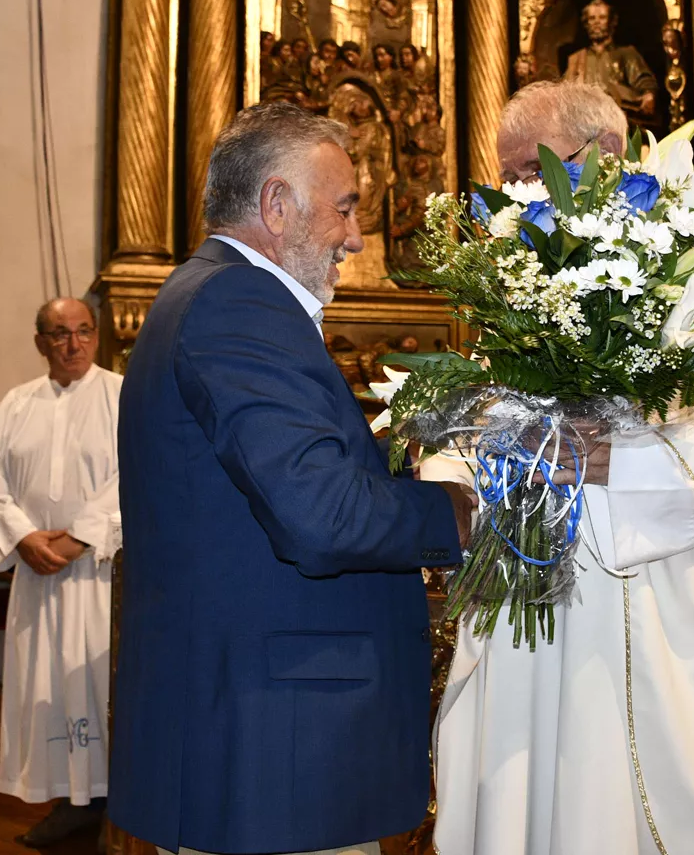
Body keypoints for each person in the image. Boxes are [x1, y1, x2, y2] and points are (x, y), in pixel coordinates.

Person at [432, 81, 694, 855]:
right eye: (507, 179)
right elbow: (487, 412)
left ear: (609, 157)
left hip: (673, 596)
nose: (516, 198)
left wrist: (627, 464)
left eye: (531, 173)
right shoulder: (516, 280)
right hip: (545, 591)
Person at [109, 101, 476, 855]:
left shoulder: (198, 294)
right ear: (277, 204)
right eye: (343, 209)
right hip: (276, 742)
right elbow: (322, 515)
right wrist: (462, 513)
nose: (354, 237)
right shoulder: (240, 304)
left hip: (250, 728)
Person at [0, 298, 122, 849]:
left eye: (83, 331)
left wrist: (78, 537)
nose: (74, 344)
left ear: (96, 335)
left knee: (96, 683)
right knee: (45, 687)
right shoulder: (17, 404)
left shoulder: (120, 395)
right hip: (38, 574)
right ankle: (70, 799)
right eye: (60, 334)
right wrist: (22, 536)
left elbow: (133, 473)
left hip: (98, 574)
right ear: (40, 341)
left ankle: (110, 800)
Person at [564, 0, 658, 121]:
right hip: (585, 121)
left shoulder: (626, 53)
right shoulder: (577, 59)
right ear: (586, 23)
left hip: (620, 119)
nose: (596, 22)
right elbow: (565, 93)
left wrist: (648, 94)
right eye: (592, 18)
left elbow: (644, 81)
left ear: (612, 22)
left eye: (602, 17)